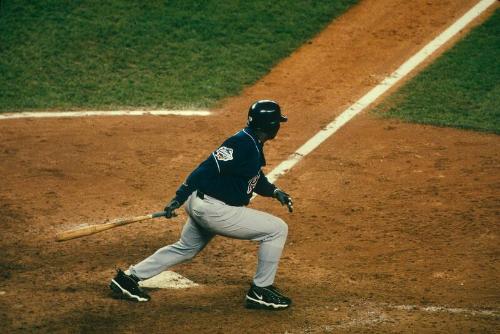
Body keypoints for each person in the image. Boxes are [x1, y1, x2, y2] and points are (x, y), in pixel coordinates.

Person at [110, 100, 294, 310]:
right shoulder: (242, 144)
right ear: (270, 125)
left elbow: (253, 176)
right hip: (215, 211)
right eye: (277, 122)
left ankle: (128, 278)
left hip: (200, 203)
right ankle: (261, 291)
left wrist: (274, 191)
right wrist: (179, 196)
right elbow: (206, 168)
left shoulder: (251, 141)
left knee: (186, 248)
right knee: (277, 229)